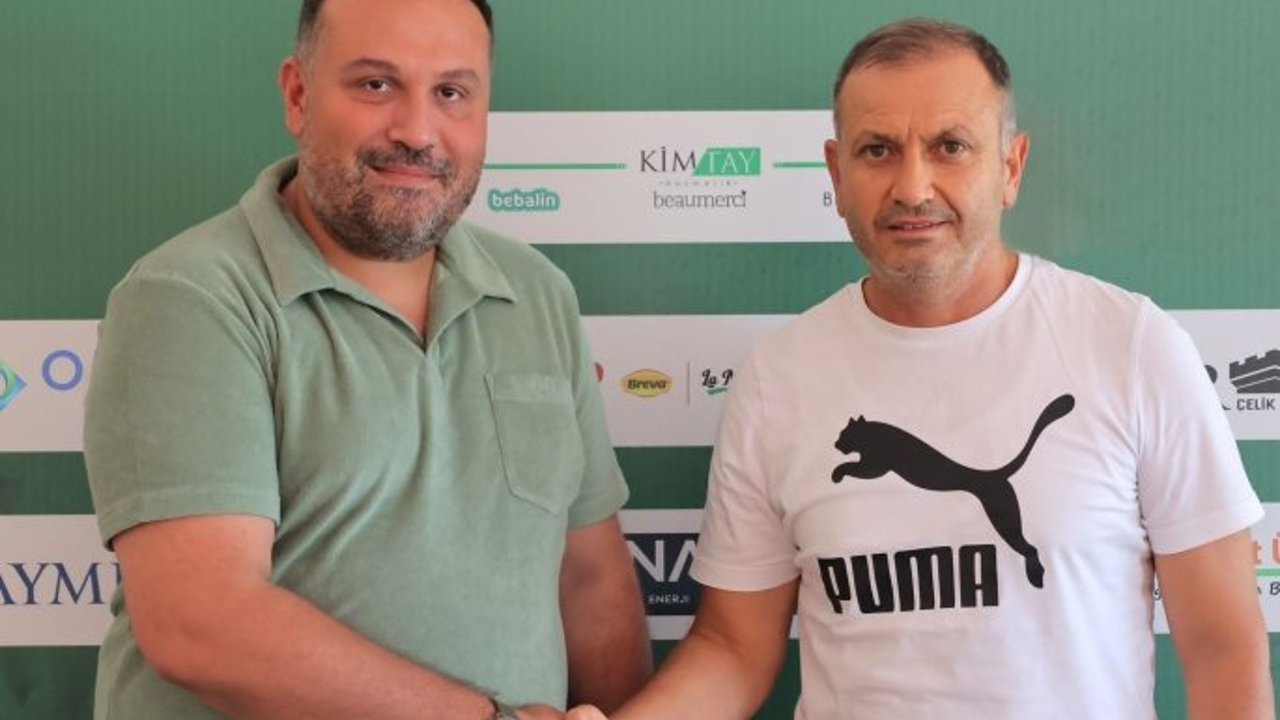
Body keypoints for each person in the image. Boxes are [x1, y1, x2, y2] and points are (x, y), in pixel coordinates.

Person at [569, 17, 1271, 720]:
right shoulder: (778, 376)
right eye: (878, 150)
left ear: (1010, 168)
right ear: (836, 173)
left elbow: (1223, 647)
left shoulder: (1133, 346)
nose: (912, 186)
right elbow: (734, 647)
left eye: (950, 147)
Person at [82, 0, 651, 718]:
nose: (417, 131)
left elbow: (590, 580)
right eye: (376, 85)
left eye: (451, 92)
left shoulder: (537, 292)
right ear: (298, 95)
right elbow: (200, 622)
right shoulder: (190, 296)